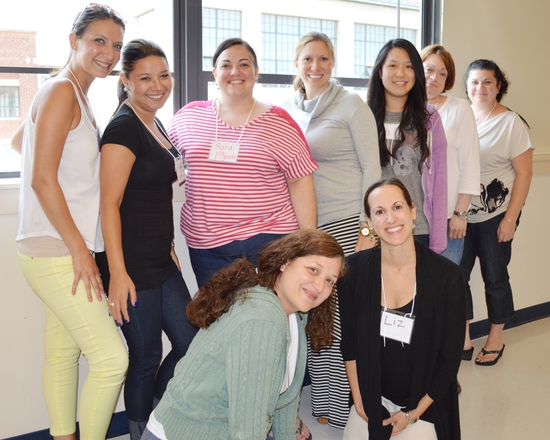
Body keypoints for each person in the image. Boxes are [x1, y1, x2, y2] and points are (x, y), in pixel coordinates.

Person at [12, 5, 128, 440]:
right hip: (59, 252)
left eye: (116, 45)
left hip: (48, 248)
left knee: (63, 353)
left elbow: (19, 141)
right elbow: (42, 179)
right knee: (112, 359)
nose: (109, 53)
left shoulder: (67, 93)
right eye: (99, 41)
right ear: (73, 40)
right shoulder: (62, 91)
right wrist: (81, 249)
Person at [140, 230, 346, 440]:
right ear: (285, 262)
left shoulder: (296, 313)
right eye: (313, 270)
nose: (320, 286)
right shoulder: (262, 318)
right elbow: (248, 427)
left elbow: (287, 400)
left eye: (330, 280)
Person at [99, 39, 198, 439]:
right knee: (145, 356)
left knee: (191, 341)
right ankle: (141, 432)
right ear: (125, 81)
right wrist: (118, 274)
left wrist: (169, 242)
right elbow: (110, 205)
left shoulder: (153, 121)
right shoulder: (123, 127)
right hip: (131, 265)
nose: (157, 85)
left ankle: (159, 417)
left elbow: (152, 194)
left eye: (163, 75)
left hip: (160, 257)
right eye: (145, 78)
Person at [284, 31, 381, 429]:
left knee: (338, 322)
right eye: (308, 59)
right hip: (309, 231)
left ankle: (341, 407)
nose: (316, 67)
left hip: (346, 225)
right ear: (297, 64)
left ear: (333, 62)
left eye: (323, 59)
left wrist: (366, 226)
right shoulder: (291, 108)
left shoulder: (351, 106)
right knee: (315, 318)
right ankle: (324, 399)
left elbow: (373, 169)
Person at [167, 38, 318, 288]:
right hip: (208, 248)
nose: (235, 72)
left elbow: (301, 181)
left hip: (270, 240)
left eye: (244, 64)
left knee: (269, 318)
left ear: (256, 72)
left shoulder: (280, 122)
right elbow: (159, 171)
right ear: (214, 73)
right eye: (226, 65)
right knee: (221, 322)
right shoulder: (187, 118)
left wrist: (308, 245)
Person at [339, 178, 466, 440]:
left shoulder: (447, 277)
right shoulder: (353, 271)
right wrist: (359, 399)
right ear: (369, 221)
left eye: (397, 207)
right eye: (379, 212)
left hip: (426, 399)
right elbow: (349, 343)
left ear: (412, 211)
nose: (390, 219)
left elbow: (450, 357)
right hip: (373, 392)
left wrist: (413, 413)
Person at [460, 60, 533, 366]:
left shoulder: (511, 123)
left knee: (495, 278)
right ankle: (461, 338)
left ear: (499, 86)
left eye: (488, 82)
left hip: (495, 217)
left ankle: (495, 337)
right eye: (475, 82)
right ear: (467, 86)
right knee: (454, 279)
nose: (481, 88)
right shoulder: (460, 118)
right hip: (461, 216)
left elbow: (525, 175)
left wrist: (510, 219)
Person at [367, 39, 448, 254]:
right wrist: (365, 230)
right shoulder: (363, 118)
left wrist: (438, 241)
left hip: (417, 229)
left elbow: (439, 182)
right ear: (380, 72)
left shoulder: (430, 119)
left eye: (409, 66)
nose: (401, 73)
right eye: (393, 65)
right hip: (376, 230)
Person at [420, 45, 480, 271]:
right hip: (413, 218)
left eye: (442, 74)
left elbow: (470, 164)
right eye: (429, 70)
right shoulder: (404, 109)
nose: (434, 78)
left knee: (444, 286)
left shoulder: (460, 109)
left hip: (447, 217)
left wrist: (460, 214)